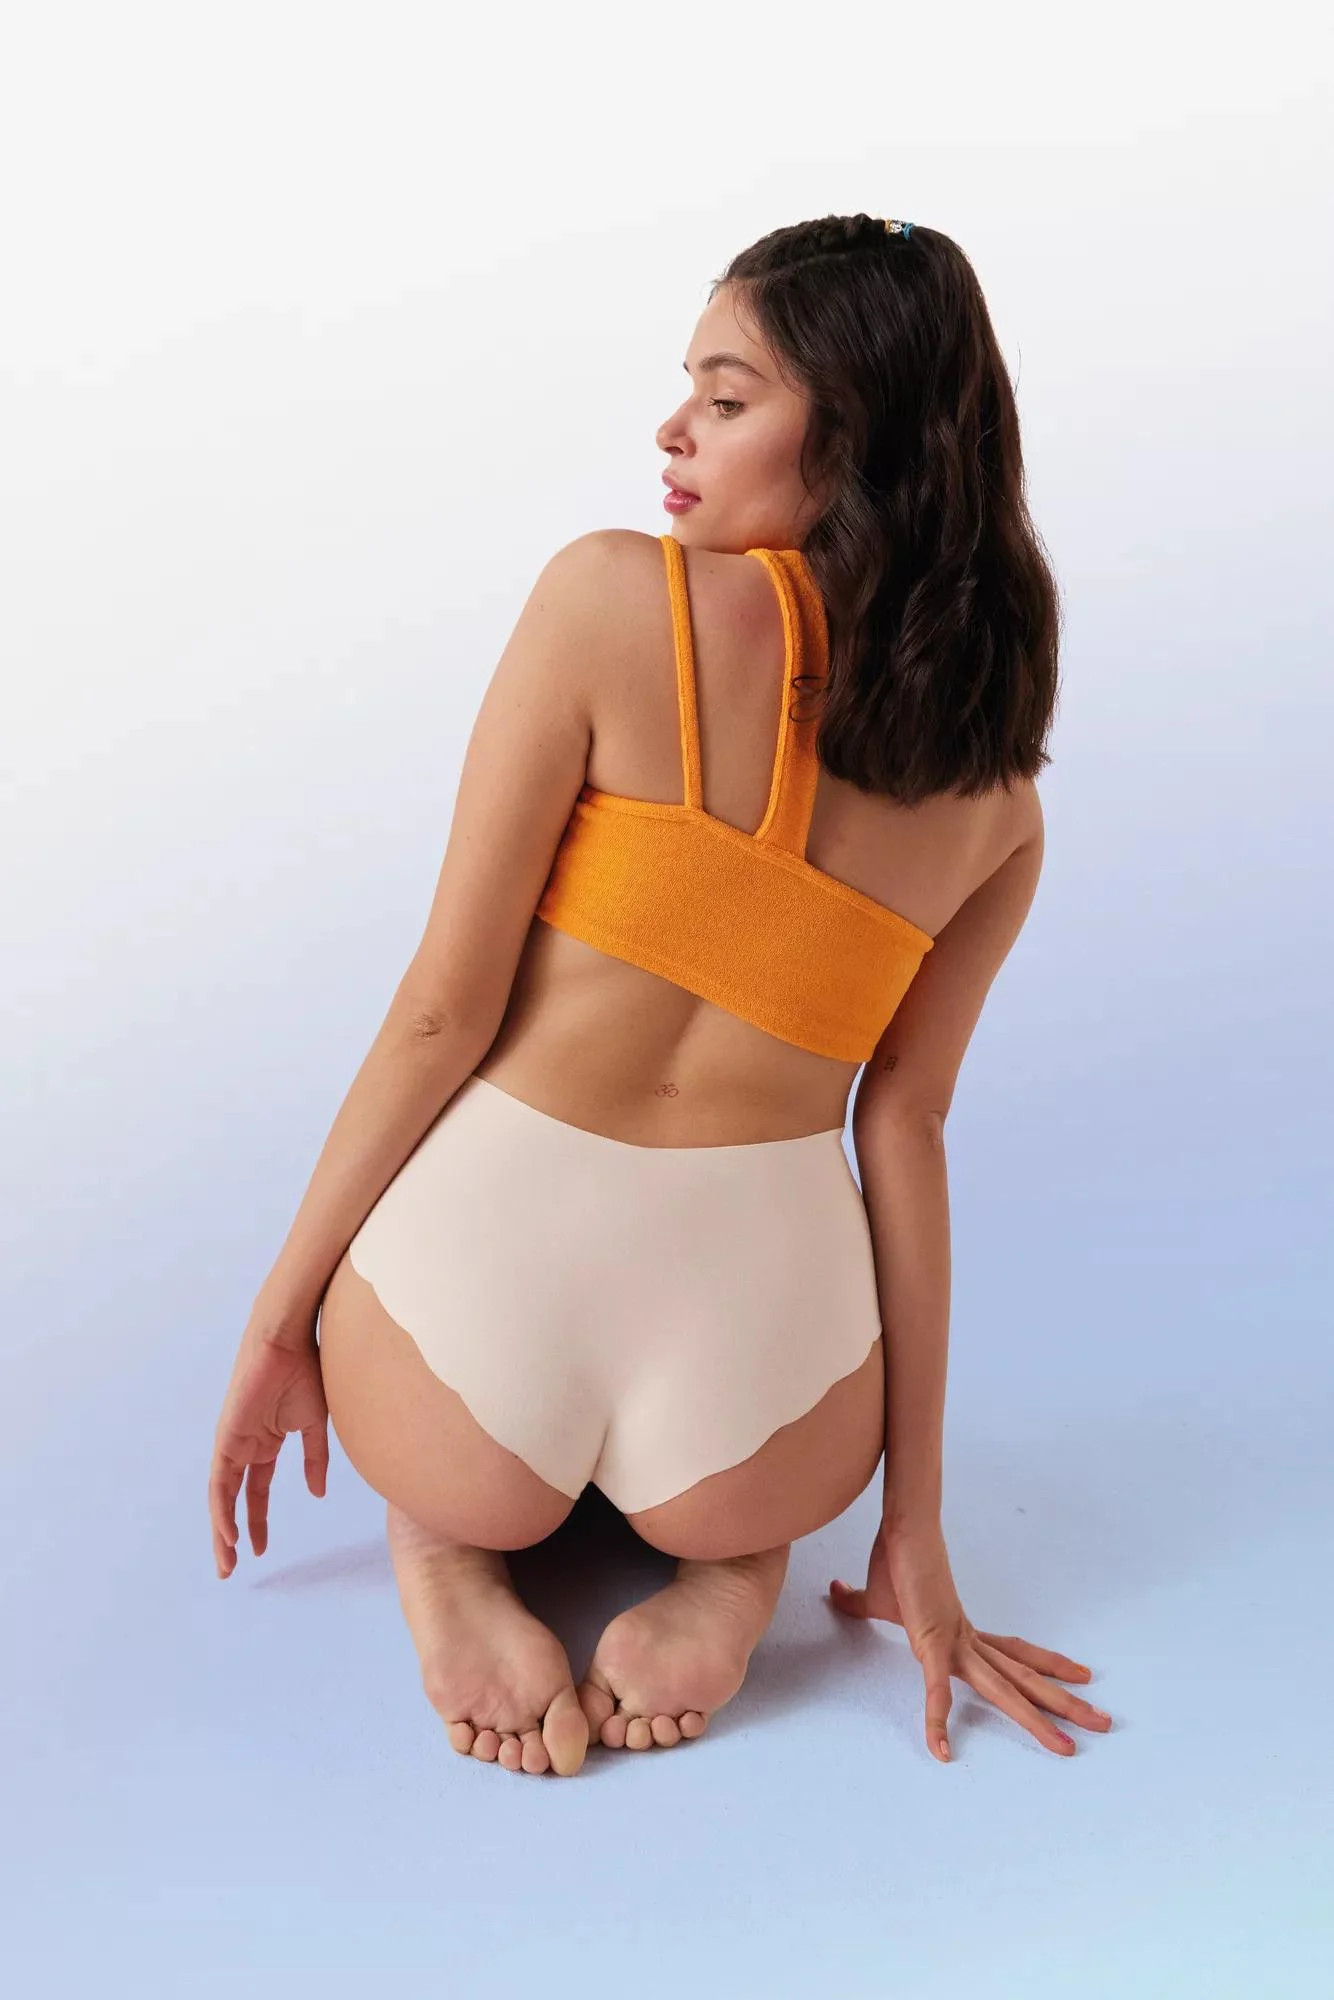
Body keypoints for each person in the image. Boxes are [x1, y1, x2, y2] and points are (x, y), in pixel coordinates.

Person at [208, 212, 1114, 1779]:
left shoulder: (605, 599)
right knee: (735, 1493)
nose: (671, 429)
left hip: (475, 1309)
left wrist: (280, 1325)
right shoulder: (997, 808)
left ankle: (447, 1555)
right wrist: (909, 1525)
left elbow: (439, 1012)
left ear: (857, 437)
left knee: (457, 1474)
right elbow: (902, 1133)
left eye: (725, 395)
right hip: (761, 1392)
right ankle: (734, 1573)